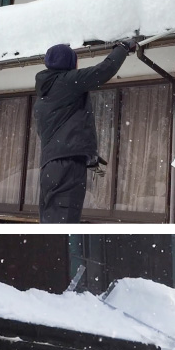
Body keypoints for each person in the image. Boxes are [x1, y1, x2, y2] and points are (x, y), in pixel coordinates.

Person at [34, 40, 134, 223]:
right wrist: (123, 48)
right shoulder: (66, 81)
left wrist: (87, 154)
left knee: (52, 219)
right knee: (62, 222)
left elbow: (61, 130)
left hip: (51, 167)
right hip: (67, 167)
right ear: (69, 63)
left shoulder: (45, 92)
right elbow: (103, 71)